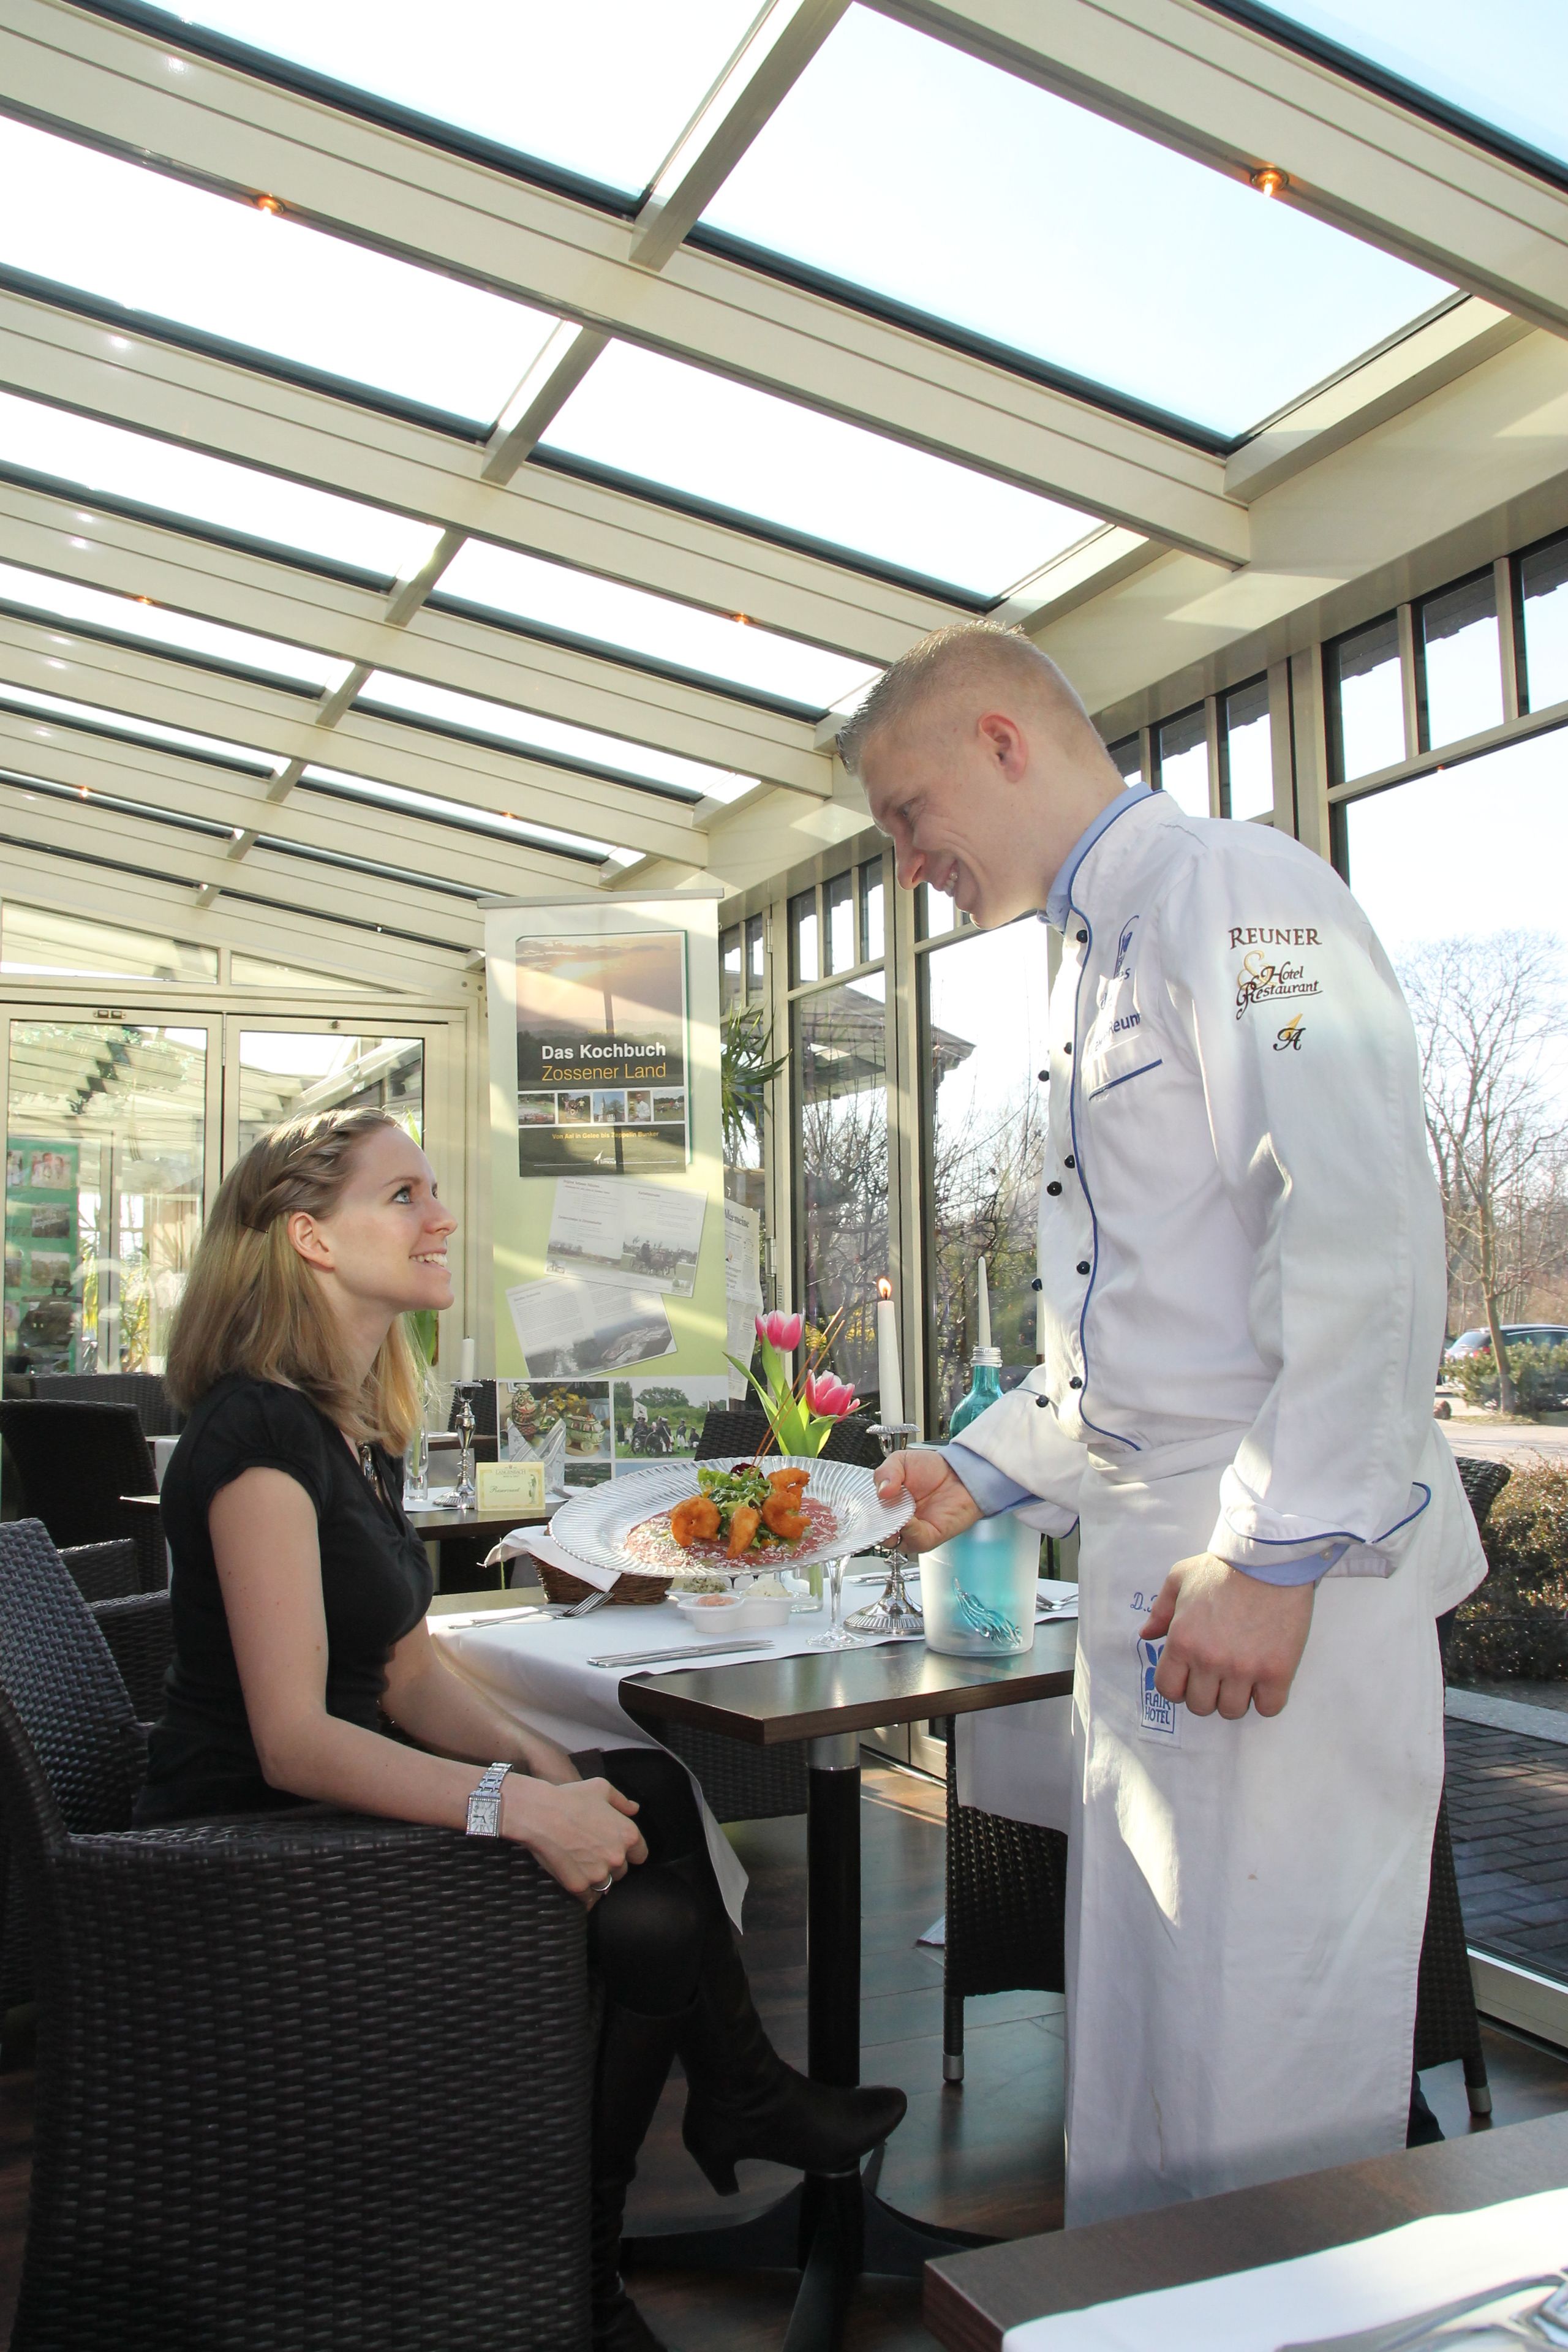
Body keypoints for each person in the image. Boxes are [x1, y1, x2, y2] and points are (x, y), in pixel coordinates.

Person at [844, 624, 1485, 2228]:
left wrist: (1275, 1557)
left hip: (1273, 1573)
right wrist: (979, 1469)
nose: (908, 863)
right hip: (1160, 1569)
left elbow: (1355, 1224)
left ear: (1001, 742)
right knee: (1148, 2054)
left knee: (1258, 2055)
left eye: (908, 814)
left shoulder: (1242, 893)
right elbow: (1138, 1331)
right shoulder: (1092, 961)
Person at [137, 1105, 904, 2351]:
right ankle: (589, 2272)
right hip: (253, 1853)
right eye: (403, 1196)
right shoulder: (257, 1434)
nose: (441, 1218)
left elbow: (401, 1670)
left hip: (322, 1811)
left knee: (644, 1784)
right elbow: (292, 1738)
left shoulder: (346, 1426)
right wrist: (518, 1807)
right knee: (652, 1923)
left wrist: (554, 1767)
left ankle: (737, 2102)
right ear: (309, 1237)